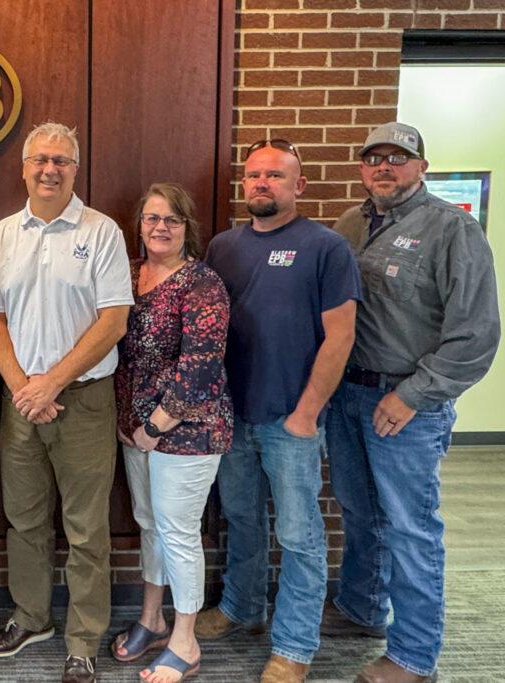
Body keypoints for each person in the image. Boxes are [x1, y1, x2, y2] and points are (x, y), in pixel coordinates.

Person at [324, 122, 500, 683]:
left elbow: (476, 335)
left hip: (406, 405)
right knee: (359, 514)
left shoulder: (453, 229)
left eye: (398, 158)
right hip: (348, 396)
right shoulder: (350, 225)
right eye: (374, 158)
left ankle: (413, 656)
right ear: (362, 168)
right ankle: (361, 609)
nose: (384, 167)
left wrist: (413, 396)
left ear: (421, 166)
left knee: (410, 528)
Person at [198, 139, 361, 683]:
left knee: (299, 536)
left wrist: (307, 412)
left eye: (275, 175)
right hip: (232, 417)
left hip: (291, 420)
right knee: (241, 518)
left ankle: (294, 646)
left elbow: (340, 337)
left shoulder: (326, 247)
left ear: (299, 186)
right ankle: (242, 608)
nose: (262, 183)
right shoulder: (223, 247)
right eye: (254, 175)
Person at [0, 122, 133, 683]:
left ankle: (84, 638)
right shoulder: (2, 235)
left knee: (86, 528)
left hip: (85, 401)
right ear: (23, 167)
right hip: (20, 400)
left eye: (61, 160)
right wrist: (26, 385)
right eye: (40, 160)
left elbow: (113, 320)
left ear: (75, 168)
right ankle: (32, 617)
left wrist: (53, 384)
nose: (50, 169)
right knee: (23, 520)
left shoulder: (103, 232)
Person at [112, 183, 234, 683]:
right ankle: (151, 617)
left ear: (188, 228)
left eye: (172, 220)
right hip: (133, 430)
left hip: (188, 430)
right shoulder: (128, 274)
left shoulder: (203, 284)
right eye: (152, 218)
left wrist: (156, 425)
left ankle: (185, 641)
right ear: (139, 224)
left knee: (179, 532)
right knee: (149, 524)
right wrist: (134, 428)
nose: (160, 227)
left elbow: (202, 368)